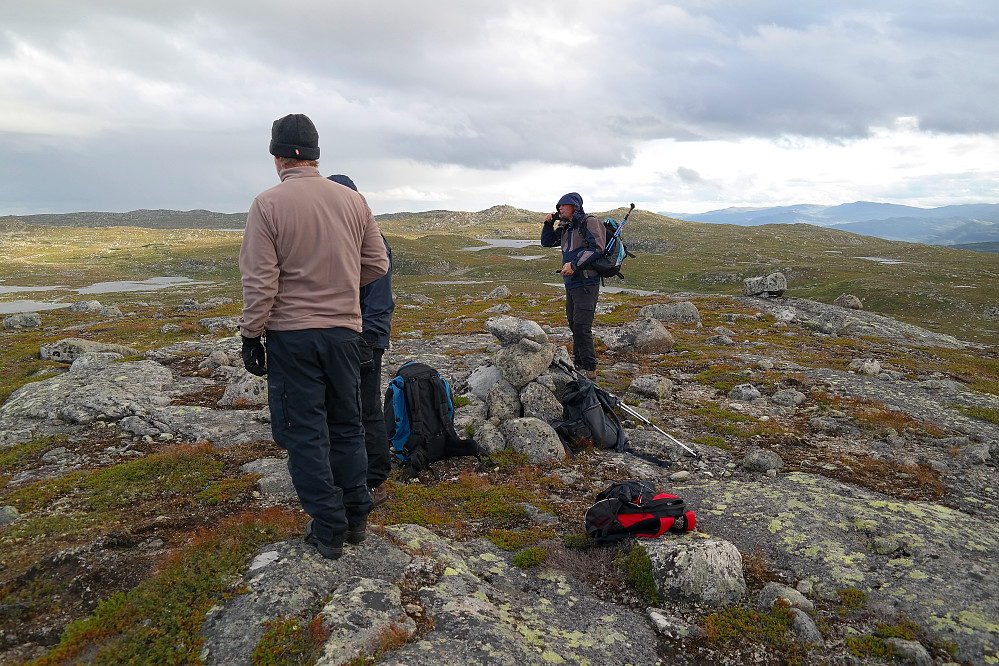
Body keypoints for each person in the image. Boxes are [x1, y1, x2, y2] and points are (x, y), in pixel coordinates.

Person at [238, 114, 389, 560]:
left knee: (304, 433)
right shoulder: (353, 201)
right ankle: (356, 516)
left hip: (293, 338)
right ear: (316, 153)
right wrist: (340, 283)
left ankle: (328, 529)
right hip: (345, 334)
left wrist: (251, 334)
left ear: (276, 155)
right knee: (346, 426)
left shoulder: (267, 204)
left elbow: (261, 282)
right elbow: (378, 264)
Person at [327, 174, 395, 508]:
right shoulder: (334, 238)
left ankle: (376, 480)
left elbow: (380, 298)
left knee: (366, 408)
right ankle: (346, 474)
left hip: (364, 337)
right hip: (340, 336)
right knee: (340, 407)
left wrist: (368, 339)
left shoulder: (372, 240)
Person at [541, 192, 606, 381]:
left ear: (574, 206)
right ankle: (579, 366)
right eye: (558, 207)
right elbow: (546, 242)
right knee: (574, 324)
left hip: (586, 282)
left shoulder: (589, 222)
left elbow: (597, 248)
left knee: (582, 326)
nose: (559, 209)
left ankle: (589, 369)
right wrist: (548, 223)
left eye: (563, 205)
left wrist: (574, 265)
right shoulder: (566, 227)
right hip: (571, 283)